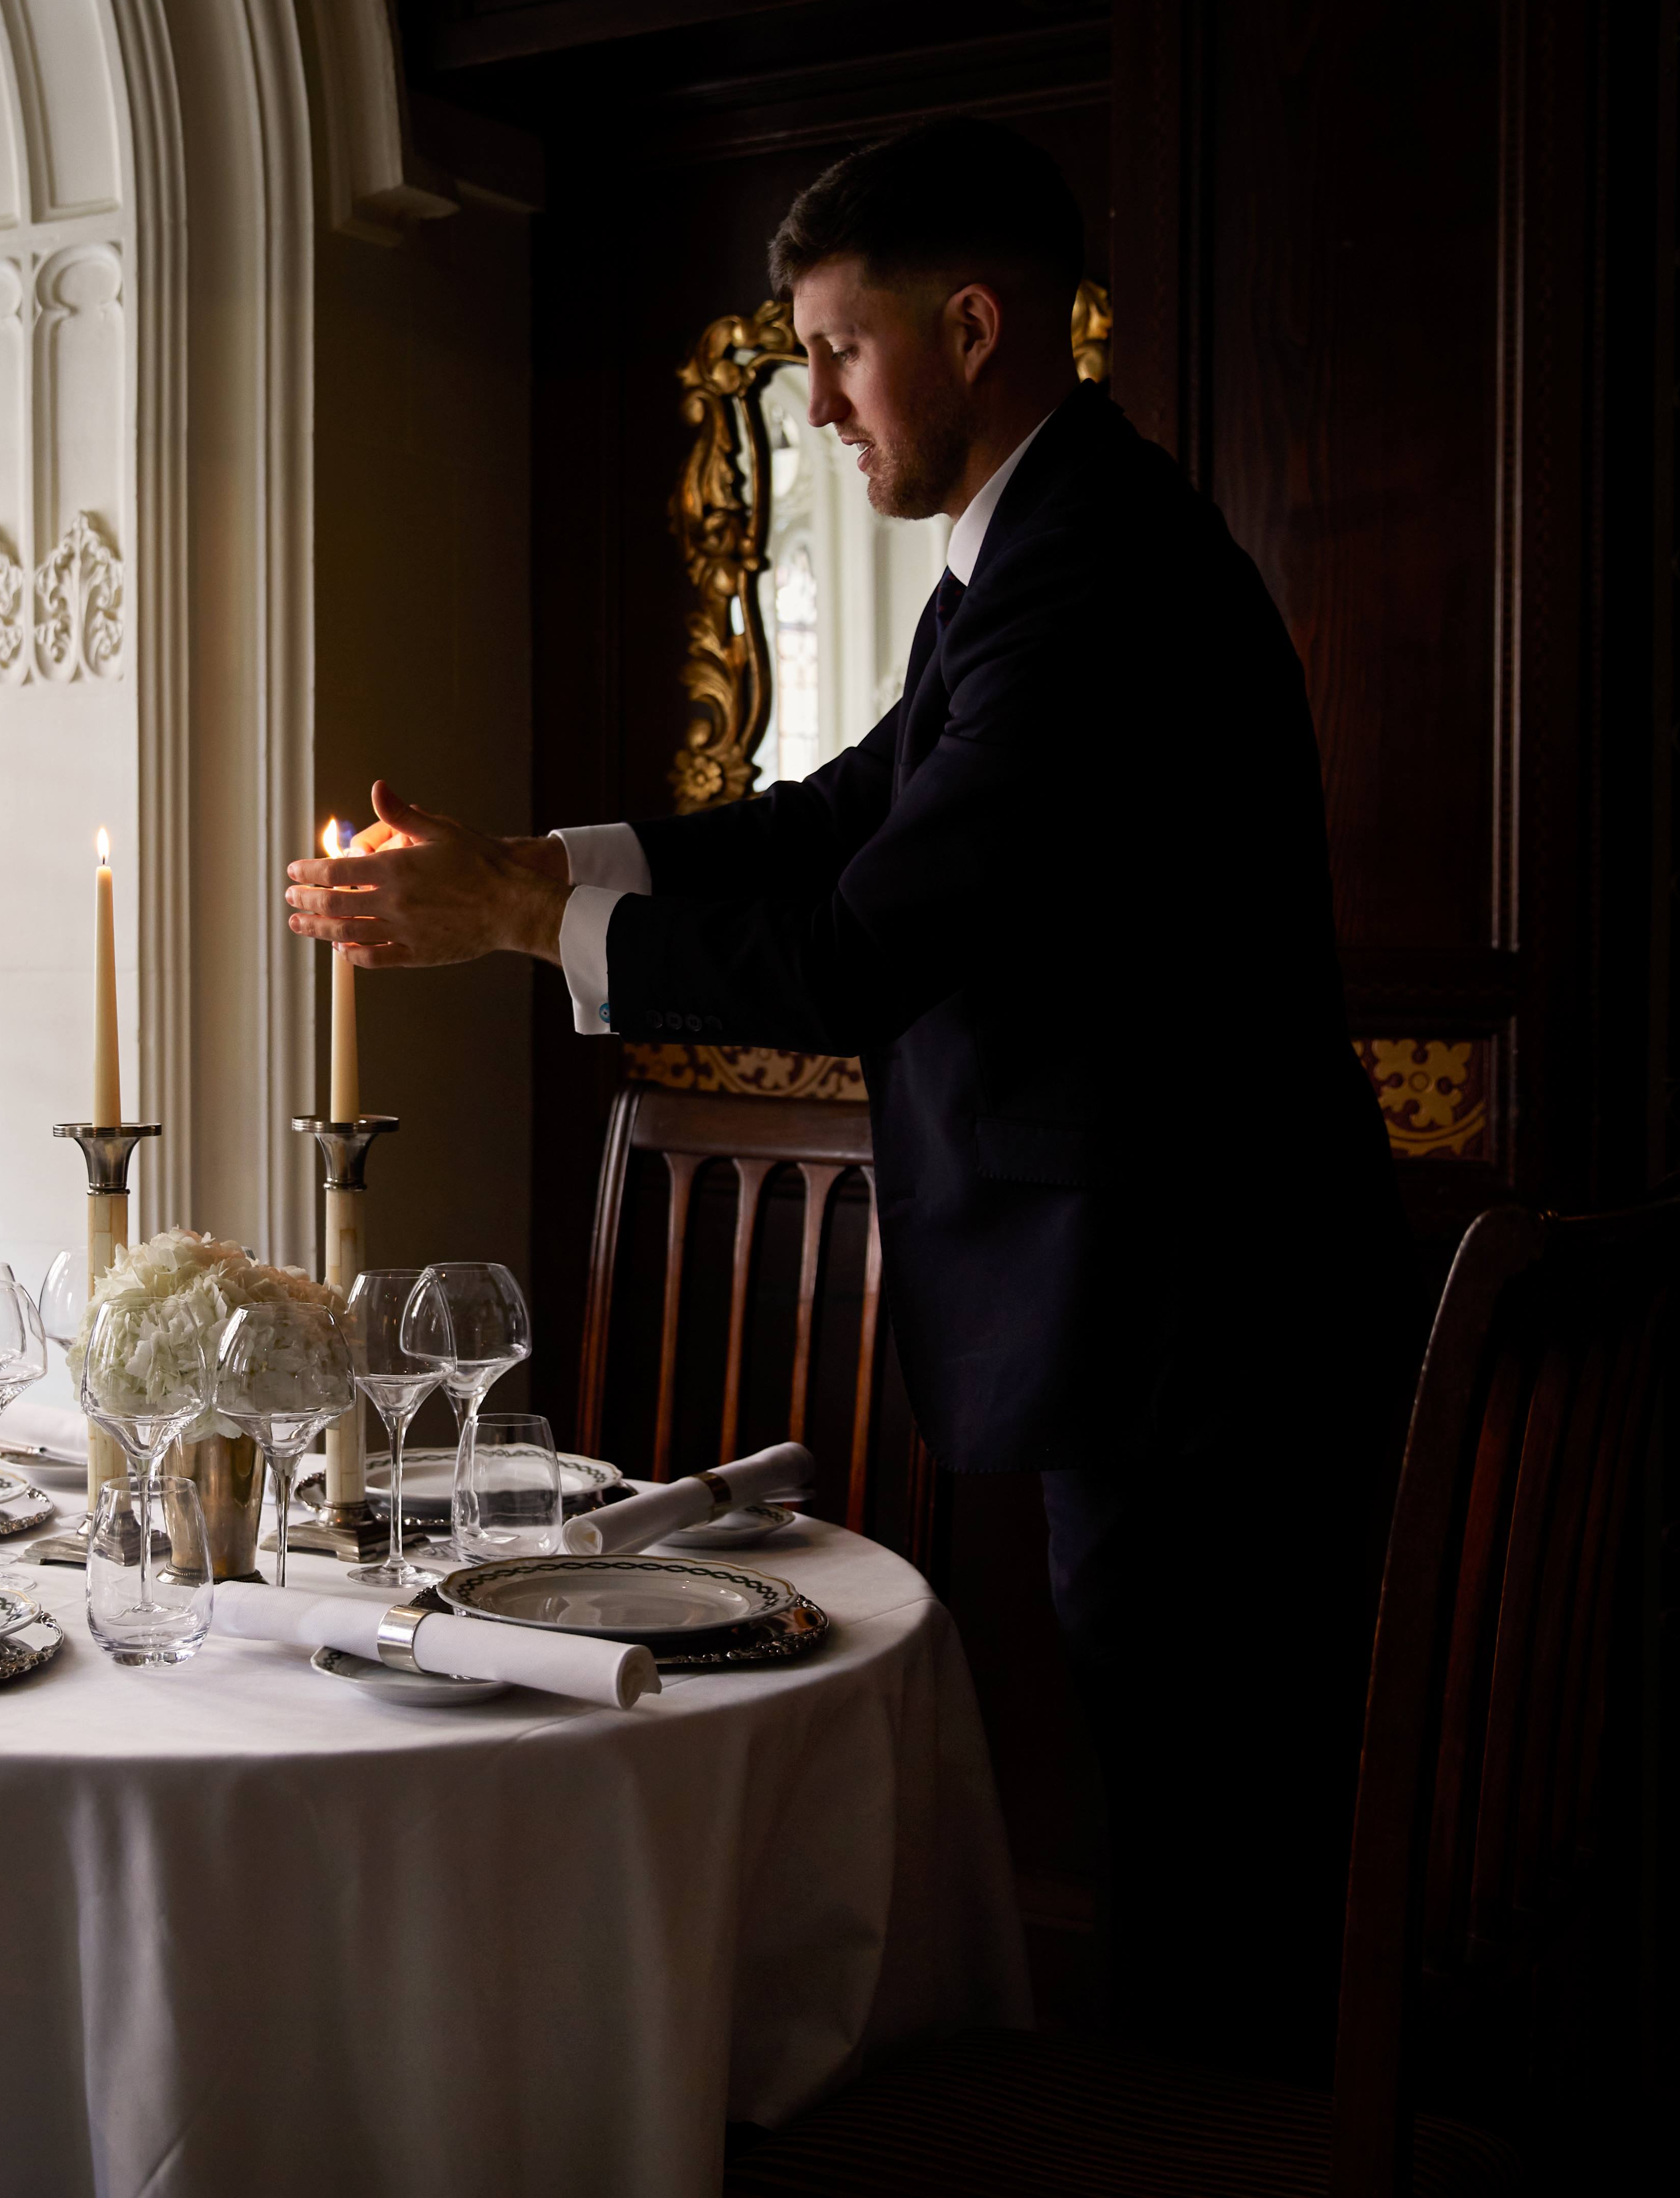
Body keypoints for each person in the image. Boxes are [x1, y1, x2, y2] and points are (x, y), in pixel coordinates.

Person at [282, 117, 1410, 2077]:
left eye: (838, 349)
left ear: (972, 325)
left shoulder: (1094, 577)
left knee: (1222, 1878)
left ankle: (1229, 2154)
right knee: (1201, 1848)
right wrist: (533, 862)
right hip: (1173, 1315)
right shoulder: (1041, 551)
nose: (812, 405)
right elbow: (835, 815)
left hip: (1194, 1334)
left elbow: (858, 947)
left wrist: (517, 925)